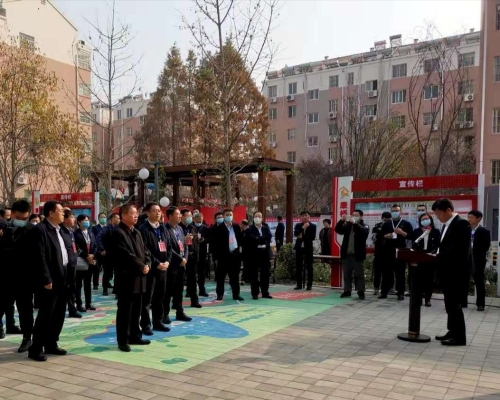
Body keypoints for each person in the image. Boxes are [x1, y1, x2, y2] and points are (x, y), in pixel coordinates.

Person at [28, 201, 71, 362]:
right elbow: (39, 256)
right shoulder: (40, 230)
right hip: (50, 279)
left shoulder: (60, 229)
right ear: (51, 213)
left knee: (59, 313)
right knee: (46, 315)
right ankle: (36, 348)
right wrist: (45, 278)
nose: (63, 213)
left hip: (63, 276)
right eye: (60, 210)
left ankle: (51, 343)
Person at [109, 204, 151, 352]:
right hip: (126, 278)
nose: (136, 215)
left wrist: (147, 264)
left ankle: (135, 336)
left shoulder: (137, 232)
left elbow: (145, 251)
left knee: (137, 310)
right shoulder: (118, 233)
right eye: (133, 213)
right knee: (125, 311)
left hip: (140, 278)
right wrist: (141, 266)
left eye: (136, 213)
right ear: (124, 216)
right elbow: (125, 255)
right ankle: (123, 340)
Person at [433, 198, 471, 346]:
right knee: (449, 303)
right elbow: (442, 246)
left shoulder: (461, 224)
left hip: (456, 272)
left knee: (454, 305)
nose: (438, 217)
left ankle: (460, 337)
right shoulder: (446, 225)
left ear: (448, 210)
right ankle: (452, 331)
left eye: (439, 214)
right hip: (446, 271)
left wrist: (439, 256)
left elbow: (459, 250)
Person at [0, 200, 31, 352]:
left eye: (25, 218)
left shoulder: (32, 230)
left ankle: (27, 338)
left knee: (25, 310)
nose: (22, 221)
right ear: (12, 214)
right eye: (19, 218)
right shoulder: (3, 228)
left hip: (24, 279)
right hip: (5, 277)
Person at [139, 202, 171, 333]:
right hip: (151, 269)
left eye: (159, 210)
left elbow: (169, 247)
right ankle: (146, 324)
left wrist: (167, 261)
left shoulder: (163, 228)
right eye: (154, 211)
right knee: (147, 298)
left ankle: (158, 322)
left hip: (163, 268)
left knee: (160, 296)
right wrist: (157, 263)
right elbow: (145, 250)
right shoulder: (143, 229)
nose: (158, 213)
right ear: (148, 213)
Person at [379, 204, 413, 300]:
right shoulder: (387, 224)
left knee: (400, 274)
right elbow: (380, 236)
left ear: (400, 212)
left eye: (397, 211)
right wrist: (385, 236)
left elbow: (411, 236)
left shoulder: (406, 224)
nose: (395, 213)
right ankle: (384, 292)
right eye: (393, 211)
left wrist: (401, 232)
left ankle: (400, 293)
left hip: (400, 251)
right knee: (386, 273)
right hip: (388, 250)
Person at [163, 207, 192, 322]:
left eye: (180, 214)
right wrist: (180, 258)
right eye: (177, 214)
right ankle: (165, 314)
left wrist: (185, 258)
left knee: (179, 290)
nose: (180, 216)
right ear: (170, 216)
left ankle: (180, 312)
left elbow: (185, 244)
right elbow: (168, 247)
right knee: (168, 290)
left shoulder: (180, 228)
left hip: (182, 264)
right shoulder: (165, 229)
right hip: (172, 264)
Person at [335, 210, 369, 300]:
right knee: (347, 274)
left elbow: (364, 233)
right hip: (347, 254)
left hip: (357, 256)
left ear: (361, 216)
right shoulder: (348, 225)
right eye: (353, 215)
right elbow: (338, 230)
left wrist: (355, 224)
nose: (354, 217)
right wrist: (341, 220)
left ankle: (361, 291)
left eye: (356, 215)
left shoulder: (364, 226)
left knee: (359, 274)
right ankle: (347, 291)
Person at [212, 209, 244, 301]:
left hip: (235, 255)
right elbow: (215, 244)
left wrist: (239, 252)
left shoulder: (236, 227)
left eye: (230, 214)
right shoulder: (218, 228)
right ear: (223, 216)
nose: (229, 216)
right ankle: (220, 294)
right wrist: (216, 257)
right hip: (223, 256)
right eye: (227, 215)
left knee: (235, 277)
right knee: (221, 277)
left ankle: (236, 294)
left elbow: (240, 240)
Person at [411, 212, 440, 307]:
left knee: (429, 280)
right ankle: (418, 299)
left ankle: (427, 299)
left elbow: (438, 245)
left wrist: (433, 252)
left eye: (427, 219)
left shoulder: (436, 231)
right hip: (419, 257)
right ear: (420, 221)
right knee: (418, 280)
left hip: (430, 258)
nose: (425, 221)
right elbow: (414, 244)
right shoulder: (416, 231)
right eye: (423, 219)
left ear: (431, 220)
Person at [467, 210, 491, 312]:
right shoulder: (466, 230)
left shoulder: (484, 231)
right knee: (463, 280)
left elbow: (486, 246)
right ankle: (462, 302)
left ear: (478, 218)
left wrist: (474, 250)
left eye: (471, 217)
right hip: (466, 258)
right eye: (468, 217)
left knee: (479, 282)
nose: (469, 219)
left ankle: (480, 304)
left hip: (478, 259)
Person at [246, 212, 273, 300]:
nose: (257, 218)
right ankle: (255, 293)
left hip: (264, 254)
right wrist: (261, 239)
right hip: (254, 254)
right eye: (256, 216)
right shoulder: (249, 229)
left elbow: (268, 237)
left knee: (265, 274)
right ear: (253, 218)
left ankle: (265, 292)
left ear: (262, 218)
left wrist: (258, 239)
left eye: (259, 216)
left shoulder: (266, 228)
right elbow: (251, 239)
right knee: (254, 274)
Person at [74, 215, 97, 312]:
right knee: (78, 284)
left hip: (90, 261)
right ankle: (79, 304)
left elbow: (95, 245)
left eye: (87, 220)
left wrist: (92, 255)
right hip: (80, 261)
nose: (87, 222)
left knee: (88, 284)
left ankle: (88, 303)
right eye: (84, 220)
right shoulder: (76, 233)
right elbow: (76, 247)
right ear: (79, 222)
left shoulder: (90, 232)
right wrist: (86, 256)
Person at [60, 210, 81, 319]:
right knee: (65, 289)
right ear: (65, 219)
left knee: (72, 288)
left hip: (72, 264)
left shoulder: (71, 231)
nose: (74, 220)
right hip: (64, 266)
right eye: (72, 217)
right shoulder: (60, 231)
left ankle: (72, 309)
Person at [180, 209, 202, 308]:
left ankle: (194, 301)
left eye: (190, 216)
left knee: (192, 280)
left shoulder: (193, 228)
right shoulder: (178, 228)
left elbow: (196, 243)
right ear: (182, 216)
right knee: (180, 281)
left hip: (192, 257)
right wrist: (184, 239)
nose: (190, 218)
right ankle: (177, 303)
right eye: (187, 216)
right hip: (181, 258)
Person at [96, 213, 120, 295]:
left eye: (119, 218)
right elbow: (98, 237)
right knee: (107, 272)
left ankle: (116, 290)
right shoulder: (107, 228)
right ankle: (105, 289)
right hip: (108, 254)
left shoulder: (119, 228)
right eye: (117, 218)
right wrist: (101, 249)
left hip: (117, 254)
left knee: (117, 272)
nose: (118, 220)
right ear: (111, 219)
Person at [294, 211, 316, 290]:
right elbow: (296, 234)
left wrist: (303, 234)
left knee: (309, 266)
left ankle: (309, 284)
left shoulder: (313, 226)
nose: (304, 217)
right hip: (299, 247)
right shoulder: (298, 225)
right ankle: (299, 284)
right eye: (303, 216)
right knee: (298, 266)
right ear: (301, 217)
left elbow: (312, 237)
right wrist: (303, 228)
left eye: (306, 215)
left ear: (309, 216)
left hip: (308, 247)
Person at [371, 212, 391, 296]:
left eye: (388, 218)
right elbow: (373, 238)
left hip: (389, 252)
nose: (386, 219)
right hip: (378, 252)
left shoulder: (393, 226)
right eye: (384, 218)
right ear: (382, 218)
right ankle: (376, 288)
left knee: (388, 272)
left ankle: (389, 288)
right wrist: (383, 235)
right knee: (377, 272)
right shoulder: (377, 226)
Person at [193, 213, 209, 296]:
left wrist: (204, 240)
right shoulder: (191, 227)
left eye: (201, 219)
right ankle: (190, 290)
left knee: (201, 272)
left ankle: (202, 289)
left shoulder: (205, 228)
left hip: (202, 252)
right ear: (194, 219)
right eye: (197, 219)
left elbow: (209, 238)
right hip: (193, 252)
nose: (199, 221)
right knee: (192, 272)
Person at [91, 212, 108, 290]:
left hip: (106, 251)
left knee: (106, 269)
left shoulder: (108, 228)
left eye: (104, 217)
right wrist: (99, 249)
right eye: (101, 217)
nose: (103, 218)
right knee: (96, 269)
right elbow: (94, 239)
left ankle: (106, 284)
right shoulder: (95, 228)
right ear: (98, 219)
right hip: (98, 252)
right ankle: (95, 284)